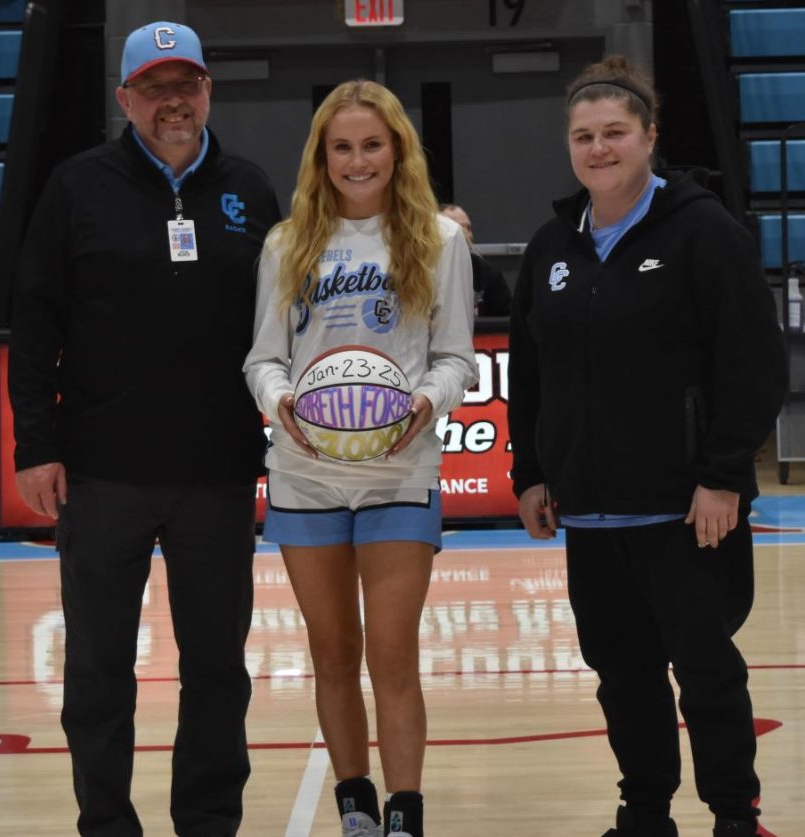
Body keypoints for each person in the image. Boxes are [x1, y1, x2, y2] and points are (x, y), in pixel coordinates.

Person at [8, 21, 280, 837]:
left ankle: (207, 820)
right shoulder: (76, 188)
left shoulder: (252, 190)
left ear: (208, 91)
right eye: (155, 88)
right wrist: (35, 444)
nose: (174, 102)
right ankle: (106, 823)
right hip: (101, 473)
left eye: (186, 84)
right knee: (96, 669)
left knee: (217, 670)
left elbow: (282, 326)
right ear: (124, 98)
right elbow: (34, 323)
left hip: (218, 473)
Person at [507, 56, 786, 837]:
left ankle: (737, 814)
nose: (599, 149)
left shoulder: (704, 232)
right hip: (591, 516)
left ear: (650, 137)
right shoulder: (553, 246)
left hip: (686, 509)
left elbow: (754, 364)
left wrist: (724, 475)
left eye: (615, 133)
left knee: (705, 672)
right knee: (623, 676)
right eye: (583, 136)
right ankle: (647, 813)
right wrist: (530, 472)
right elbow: (530, 373)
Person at [244, 80, 477, 837]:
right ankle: (356, 808)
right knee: (333, 653)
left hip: (399, 470)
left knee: (393, 655)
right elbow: (263, 359)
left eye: (372, 144)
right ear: (321, 156)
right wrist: (281, 403)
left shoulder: (440, 241)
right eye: (341, 146)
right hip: (305, 473)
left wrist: (424, 403)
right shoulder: (287, 243)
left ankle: (405, 815)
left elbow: (456, 357)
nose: (357, 159)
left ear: (397, 149)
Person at [438, 202, 512, 316]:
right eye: (459, 227)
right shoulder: (420, 273)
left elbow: (506, 321)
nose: (469, 234)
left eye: (469, 228)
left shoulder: (487, 274)